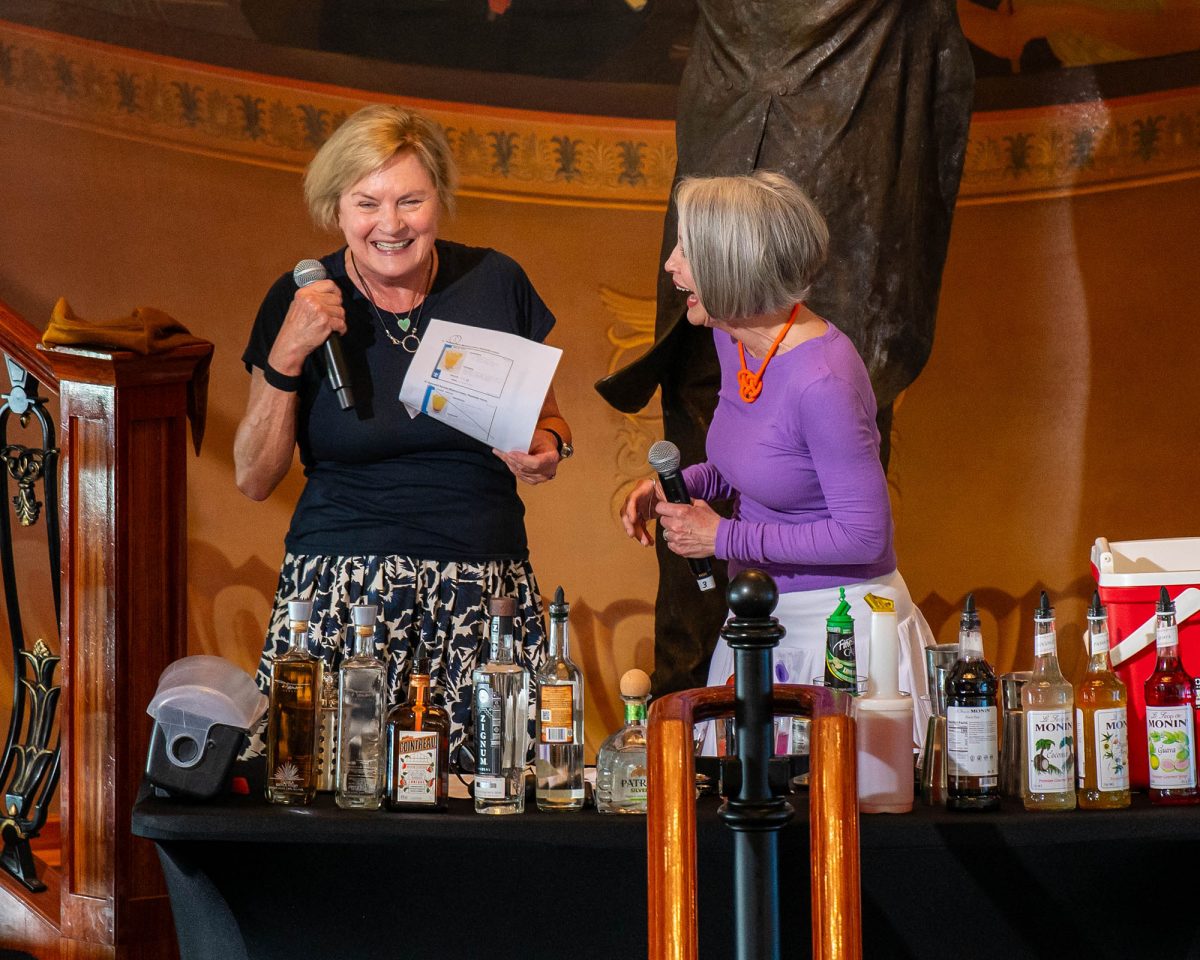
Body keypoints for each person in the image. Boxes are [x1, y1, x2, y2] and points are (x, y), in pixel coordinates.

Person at [234, 104, 571, 759]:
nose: (390, 224)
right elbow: (252, 476)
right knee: (330, 788)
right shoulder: (299, 300)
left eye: (410, 201)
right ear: (336, 209)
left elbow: (547, 420)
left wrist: (549, 447)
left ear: (439, 201)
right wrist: (287, 352)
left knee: (493, 789)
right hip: (341, 595)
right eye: (367, 203)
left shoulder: (495, 282)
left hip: (482, 588)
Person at [621, 171, 934, 746]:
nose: (671, 265)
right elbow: (760, 463)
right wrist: (683, 483)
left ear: (731, 266)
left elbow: (864, 535)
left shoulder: (823, 382)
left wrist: (722, 538)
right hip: (759, 619)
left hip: (840, 631)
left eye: (686, 249)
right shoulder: (734, 338)